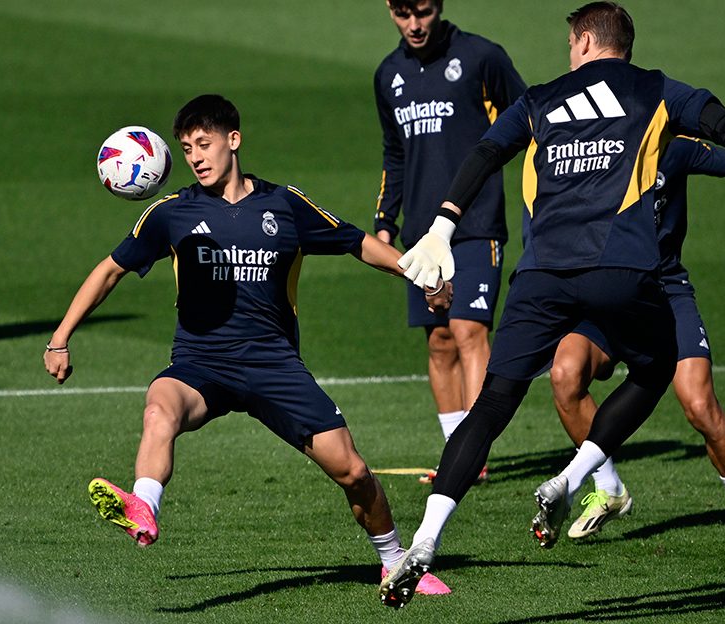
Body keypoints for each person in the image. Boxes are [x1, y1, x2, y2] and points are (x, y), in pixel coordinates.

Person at [380, 2, 725, 608]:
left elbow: (485, 152)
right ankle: (577, 479)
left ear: (583, 41)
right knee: (656, 367)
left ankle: (425, 536)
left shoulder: (540, 99)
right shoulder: (656, 90)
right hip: (619, 271)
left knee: (491, 404)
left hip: (540, 276)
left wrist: (443, 226)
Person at [43, 95, 454, 595]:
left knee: (352, 471)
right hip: (200, 364)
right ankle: (144, 506)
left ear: (233, 140)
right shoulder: (171, 213)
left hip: (273, 365)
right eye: (186, 148)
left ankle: (394, 562)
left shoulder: (284, 205)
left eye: (204, 144)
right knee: (158, 410)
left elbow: (357, 243)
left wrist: (421, 275)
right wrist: (60, 338)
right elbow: (110, 271)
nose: (195, 157)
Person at [551, 138, 725, 543]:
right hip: (607, 297)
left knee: (699, 405)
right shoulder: (591, 147)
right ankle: (609, 489)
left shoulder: (674, 147)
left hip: (665, 295)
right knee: (565, 375)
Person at [374, 0, 526, 481]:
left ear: (438, 5)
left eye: (422, 12)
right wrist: (385, 217)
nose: (414, 24)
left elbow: (530, 119)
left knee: (468, 331)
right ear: (389, 9)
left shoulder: (482, 57)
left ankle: (472, 456)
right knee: (440, 342)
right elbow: (394, 153)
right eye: (403, 14)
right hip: (421, 234)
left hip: (477, 222)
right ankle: (456, 454)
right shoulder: (388, 74)